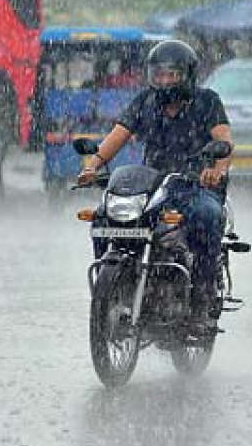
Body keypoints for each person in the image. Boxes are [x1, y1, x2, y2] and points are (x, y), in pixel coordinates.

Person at [77, 39, 233, 328]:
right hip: (152, 185)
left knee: (208, 216)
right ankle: (111, 289)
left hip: (194, 184)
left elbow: (224, 141)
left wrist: (216, 169)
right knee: (102, 217)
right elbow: (118, 135)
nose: (163, 81)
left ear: (187, 75)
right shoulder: (145, 101)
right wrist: (93, 164)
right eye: (158, 75)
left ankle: (202, 296)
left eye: (171, 75)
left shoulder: (207, 101)